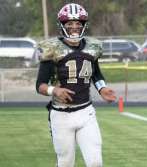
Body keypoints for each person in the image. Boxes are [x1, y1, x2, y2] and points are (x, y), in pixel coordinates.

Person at [35, 3, 116, 167]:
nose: (74, 27)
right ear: (62, 26)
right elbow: (40, 85)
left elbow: (95, 73)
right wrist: (55, 90)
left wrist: (102, 88)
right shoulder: (52, 49)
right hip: (61, 115)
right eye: (69, 24)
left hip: (86, 112)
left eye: (78, 24)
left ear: (84, 25)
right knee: (65, 163)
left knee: (95, 162)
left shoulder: (92, 47)